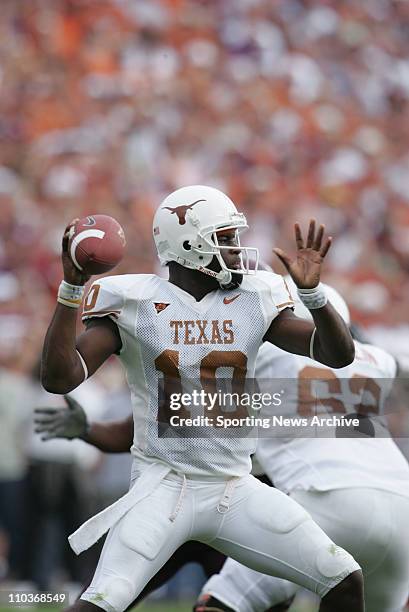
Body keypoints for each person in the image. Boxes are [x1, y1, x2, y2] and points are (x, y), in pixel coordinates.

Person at [41, 185, 362, 612]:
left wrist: (313, 296)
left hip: (235, 487)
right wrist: (71, 289)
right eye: (225, 238)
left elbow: (337, 354)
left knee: (343, 577)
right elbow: (60, 378)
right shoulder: (136, 302)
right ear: (189, 243)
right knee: (102, 602)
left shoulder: (254, 298)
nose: (236, 250)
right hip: (163, 485)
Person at [194, 282, 409, 612]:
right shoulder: (379, 360)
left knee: (223, 602)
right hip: (401, 504)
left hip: (327, 497)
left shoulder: (262, 351)